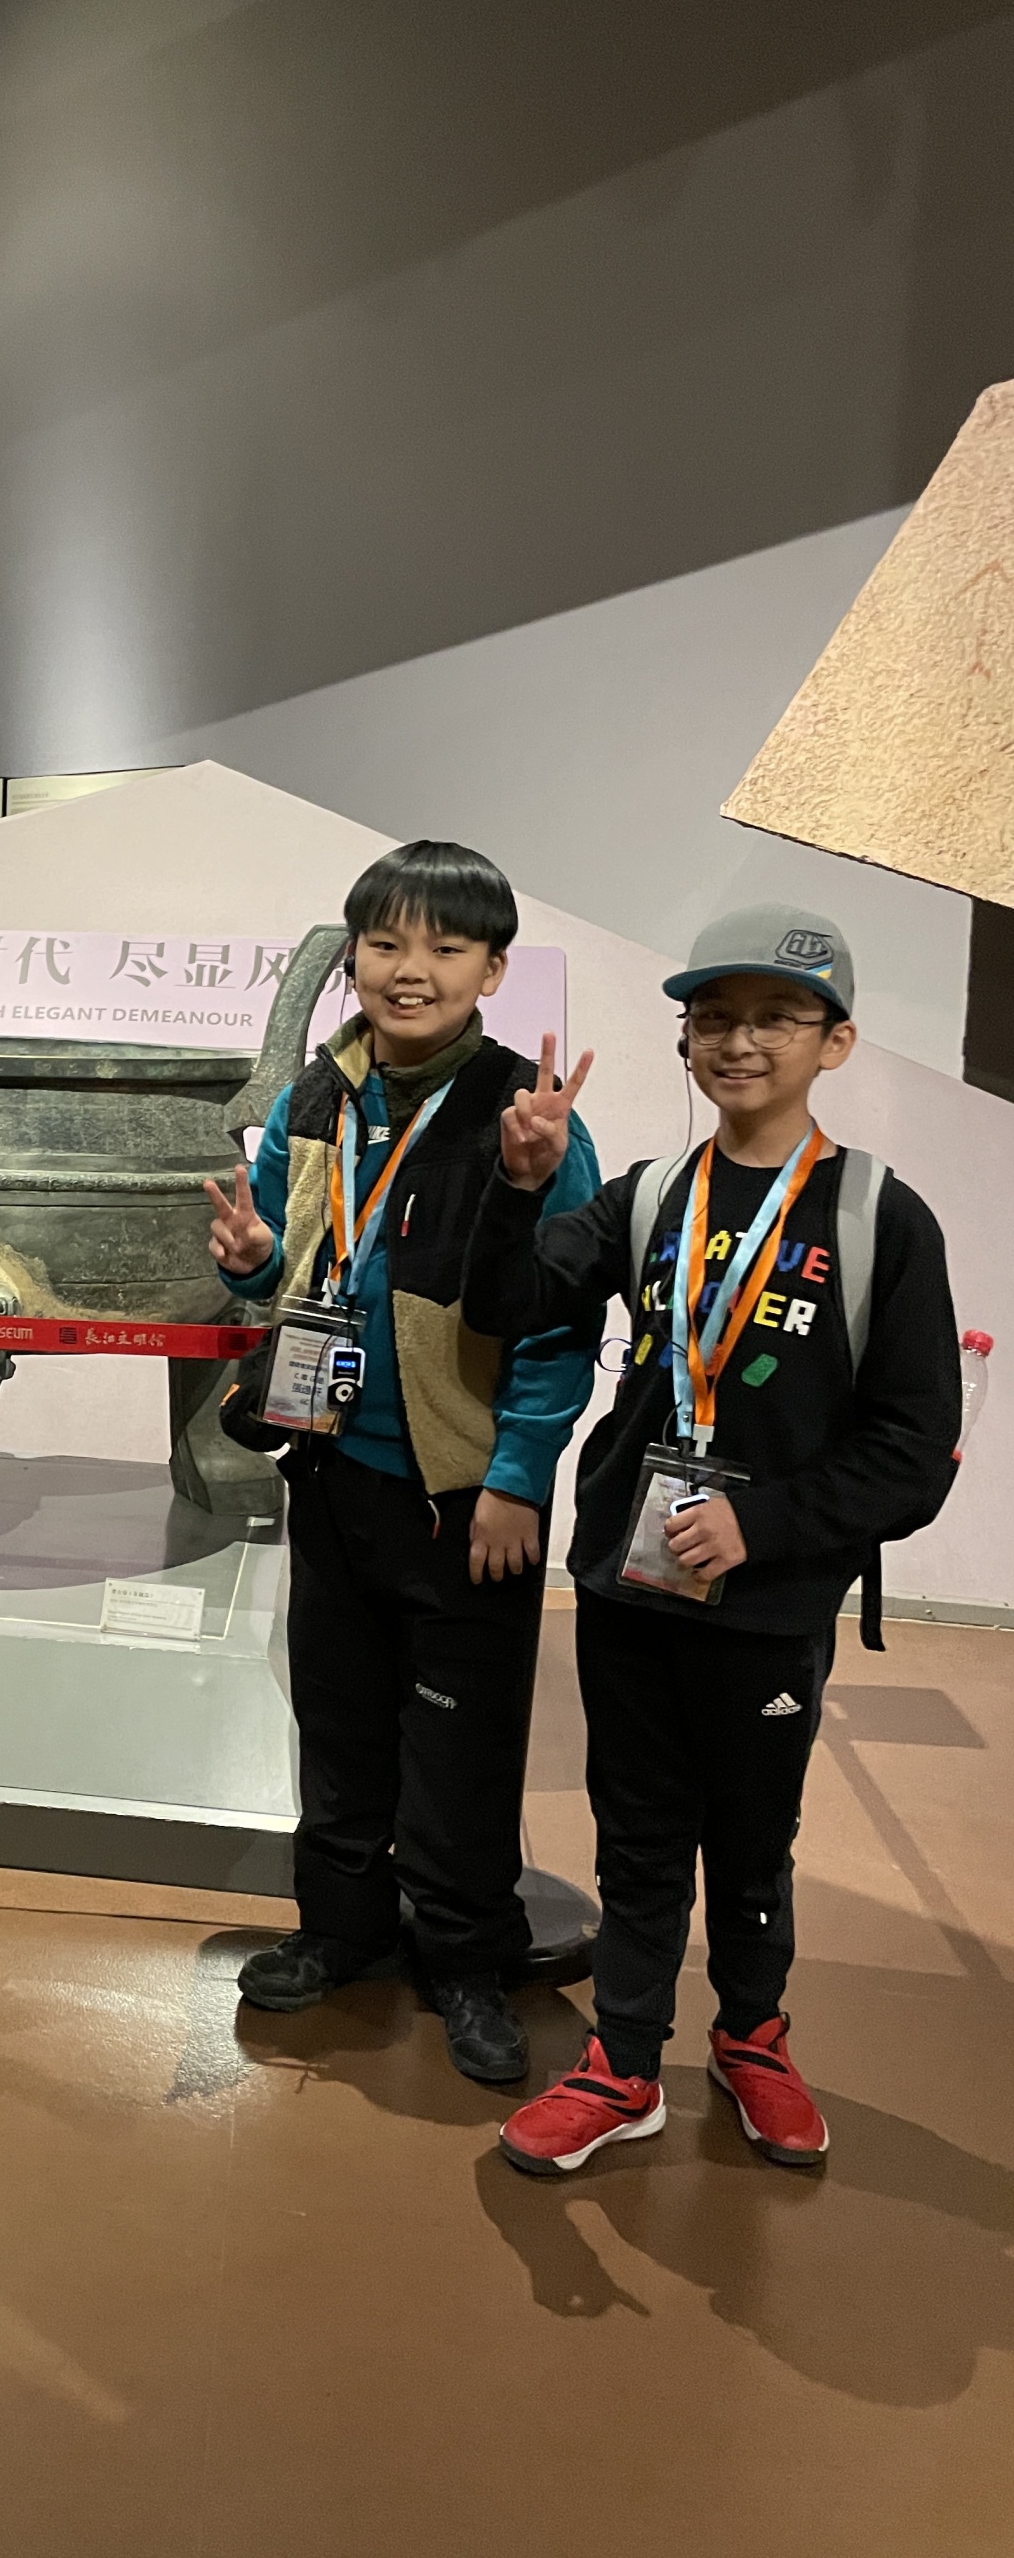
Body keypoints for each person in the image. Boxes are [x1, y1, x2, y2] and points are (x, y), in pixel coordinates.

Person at [463, 904, 960, 2173]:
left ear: (835, 1041)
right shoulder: (649, 1198)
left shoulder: (879, 1218)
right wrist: (520, 1187)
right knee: (636, 1834)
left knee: (750, 1839)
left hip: (769, 1602)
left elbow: (914, 1449)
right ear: (685, 1040)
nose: (739, 1042)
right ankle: (625, 2060)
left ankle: (752, 2038)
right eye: (715, 1019)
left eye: (776, 1019)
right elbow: (506, 1302)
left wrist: (763, 1522)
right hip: (630, 1582)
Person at [207, 841, 601, 2085]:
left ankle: (467, 1957)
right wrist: (254, 1265)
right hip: (330, 1472)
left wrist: (517, 1476)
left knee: (461, 1742)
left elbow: (559, 1322)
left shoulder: (525, 1117)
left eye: (444, 946)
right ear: (354, 956)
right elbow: (288, 1264)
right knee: (338, 1721)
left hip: (464, 1497)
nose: (409, 969)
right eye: (384, 943)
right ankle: (340, 1929)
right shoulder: (317, 1098)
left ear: (493, 969)